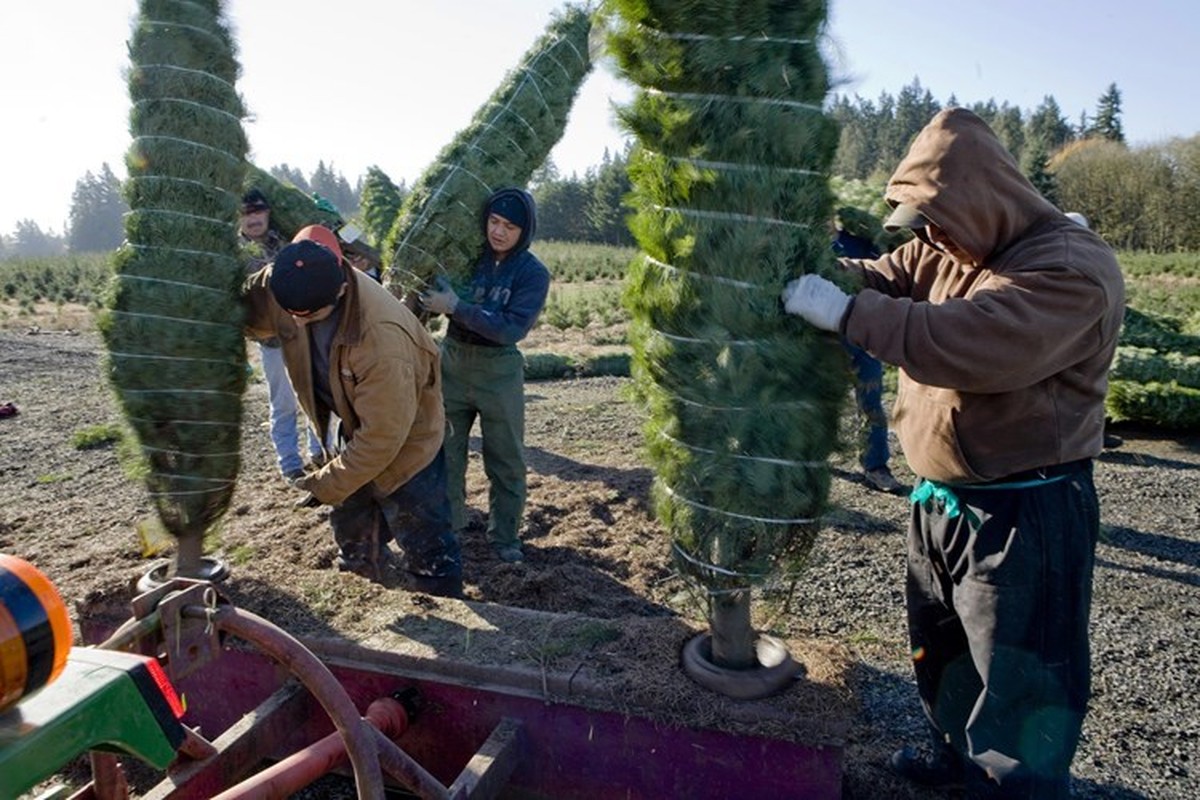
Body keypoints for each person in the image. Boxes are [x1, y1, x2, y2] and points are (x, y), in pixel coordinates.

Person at [782, 108, 1125, 798]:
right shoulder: (946, 247)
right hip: (941, 501)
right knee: (944, 649)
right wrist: (806, 272)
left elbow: (974, 341)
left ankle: (1014, 787)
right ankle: (953, 760)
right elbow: (879, 276)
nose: (930, 238)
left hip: (1024, 510)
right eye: (923, 227)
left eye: (939, 220)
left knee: (1021, 674)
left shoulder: (1069, 267)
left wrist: (849, 317)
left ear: (984, 198)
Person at [243, 224, 463, 597]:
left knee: (423, 534)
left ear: (343, 289)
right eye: (290, 313)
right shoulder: (288, 278)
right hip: (354, 425)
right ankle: (365, 581)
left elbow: (381, 439)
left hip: (408, 439)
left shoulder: (381, 338)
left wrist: (326, 484)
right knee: (352, 526)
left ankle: (441, 596)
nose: (296, 323)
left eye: (308, 317)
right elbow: (244, 304)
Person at [418, 188, 550, 564]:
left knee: (505, 457)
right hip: (454, 362)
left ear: (524, 231)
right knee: (446, 452)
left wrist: (457, 306)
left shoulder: (532, 273)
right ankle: (452, 526)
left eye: (510, 226)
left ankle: (505, 538)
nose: (499, 231)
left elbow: (510, 329)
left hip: (499, 369)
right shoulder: (468, 259)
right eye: (494, 222)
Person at [238, 189, 323, 481]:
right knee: (283, 402)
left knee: (315, 392)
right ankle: (290, 465)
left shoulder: (286, 243)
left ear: (267, 212)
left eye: (257, 211)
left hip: (302, 332)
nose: (253, 218)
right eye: (246, 213)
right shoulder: (234, 255)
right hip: (271, 341)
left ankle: (320, 452)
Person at [831, 208, 904, 495]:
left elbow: (886, 271)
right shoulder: (807, 245)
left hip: (861, 336)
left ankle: (876, 466)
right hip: (821, 338)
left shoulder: (858, 243)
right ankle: (811, 461)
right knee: (816, 403)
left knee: (871, 402)